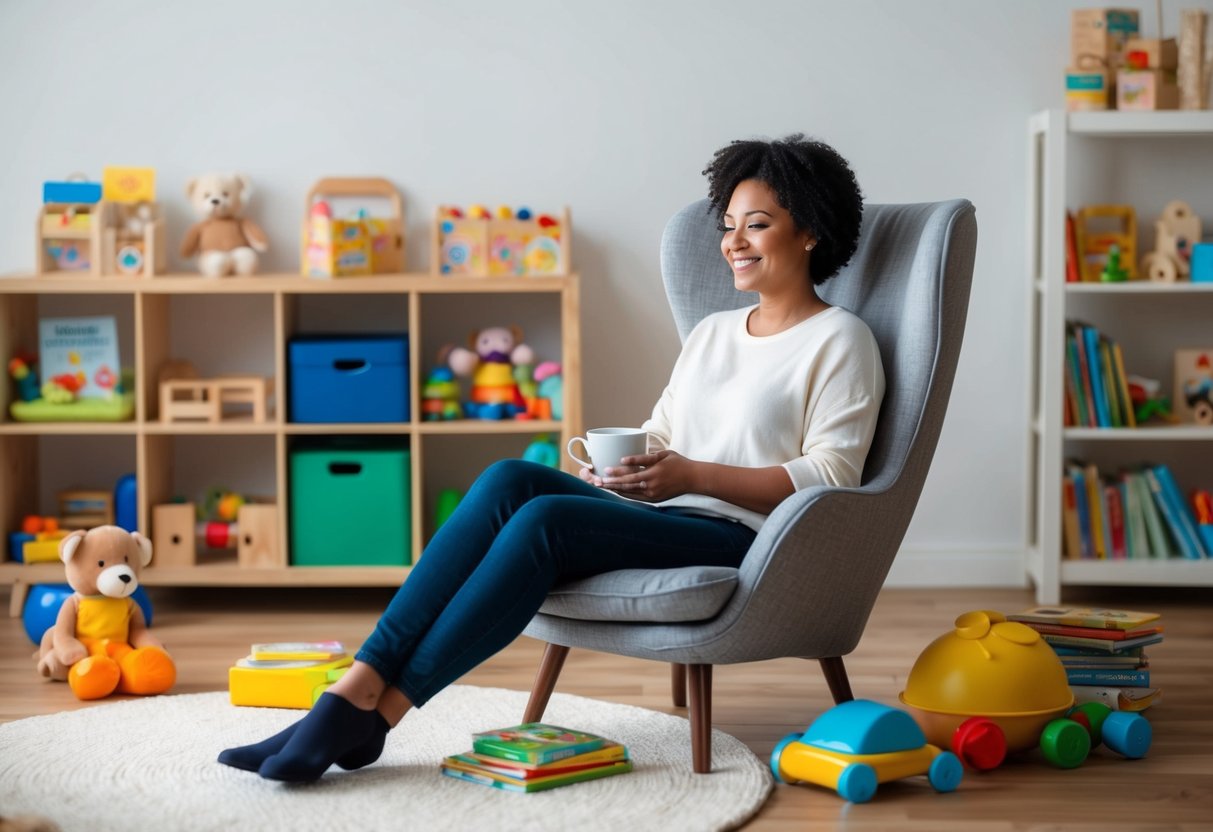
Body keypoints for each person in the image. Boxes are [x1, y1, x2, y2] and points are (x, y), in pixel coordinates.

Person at [219, 133, 886, 782]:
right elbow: (663, 429)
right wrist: (621, 471)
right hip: (667, 510)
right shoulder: (713, 333)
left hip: (741, 537)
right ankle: (352, 693)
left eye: (757, 225)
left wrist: (690, 475)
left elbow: (829, 479)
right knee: (511, 478)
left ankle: (378, 713)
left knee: (546, 525)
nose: (732, 243)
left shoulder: (839, 341)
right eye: (728, 225)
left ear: (809, 232)